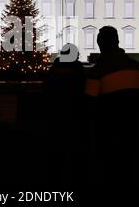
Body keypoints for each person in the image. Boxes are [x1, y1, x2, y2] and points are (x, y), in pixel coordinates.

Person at [84, 26, 139, 185]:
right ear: (118, 42)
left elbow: (89, 103)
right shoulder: (136, 67)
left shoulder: (98, 70)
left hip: (107, 129)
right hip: (132, 126)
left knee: (108, 170)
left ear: (100, 44)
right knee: (127, 167)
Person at [43, 43, 86, 184]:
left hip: (56, 117)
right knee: (75, 153)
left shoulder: (54, 69)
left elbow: (47, 90)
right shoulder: (79, 70)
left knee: (56, 154)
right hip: (75, 116)